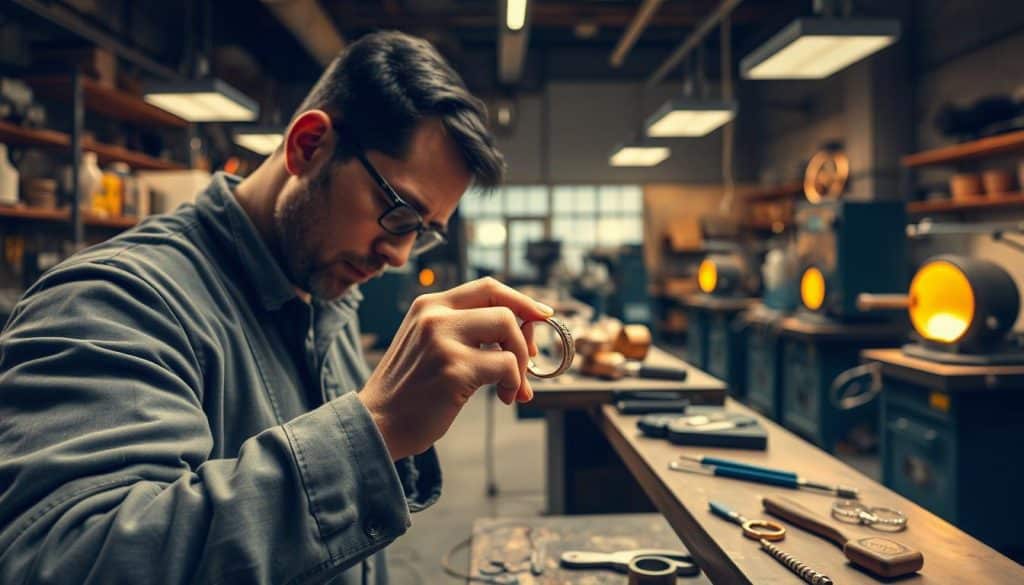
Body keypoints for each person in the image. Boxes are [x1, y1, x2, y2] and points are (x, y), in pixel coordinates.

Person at [0, 31, 547, 584]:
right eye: (398, 212)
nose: (399, 254)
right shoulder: (113, 301)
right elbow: (65, 562)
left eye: (423, 233)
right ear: (309, 145)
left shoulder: (324, 289)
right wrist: (376, 429)